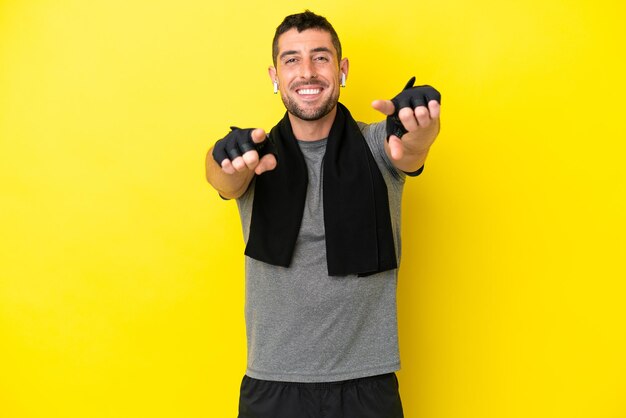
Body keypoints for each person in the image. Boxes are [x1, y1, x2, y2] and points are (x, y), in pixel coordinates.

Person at [205, 10, 441, 418]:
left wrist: (418, 126)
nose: (307, 72)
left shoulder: (375, 145)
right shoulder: (256, 158)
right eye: (292, 60)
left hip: (368, 386)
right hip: (274, 385)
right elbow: (221, 178)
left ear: (341, 68)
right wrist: (224, 157)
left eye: (321, 57)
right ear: (275, 76)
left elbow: (410, 147)